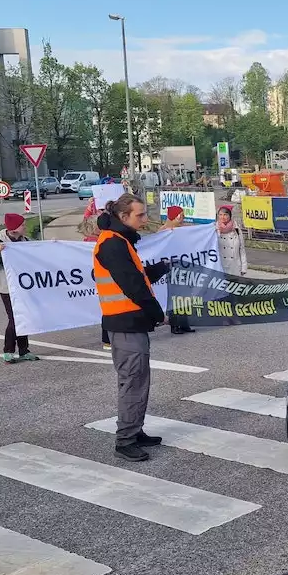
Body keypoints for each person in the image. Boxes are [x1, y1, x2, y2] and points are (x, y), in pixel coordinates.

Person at [94, 194, 171, 462]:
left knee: (138, 380)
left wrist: (160, 269)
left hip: (129, 323)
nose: (145, 219)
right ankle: (125, 440)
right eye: (139, 215)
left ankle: (134, 430)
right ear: (123, 217)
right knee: (133, 382)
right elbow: (132, 285)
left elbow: (135, 277)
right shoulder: (113, 244)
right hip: (125, 323)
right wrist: (157, 313)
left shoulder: (120, 240)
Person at [0, 213, 41, 364]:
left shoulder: (25, 240)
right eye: (22, 225)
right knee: (15, 319)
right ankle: (8, 351)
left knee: (24, 317)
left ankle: (24, 350)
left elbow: (38, 250)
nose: (25, 227)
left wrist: (52, 245)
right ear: (14, 229)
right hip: (7, 288)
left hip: (23, 286)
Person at [80, 198, 113, 350]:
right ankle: (107, 339)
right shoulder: (92, 242)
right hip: (102, 279)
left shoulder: (92, 240)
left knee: (107, 309)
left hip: (102, 279)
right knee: (107, 309)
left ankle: (108, 339)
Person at [162, 206, 196, 335]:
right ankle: (174, 324)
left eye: (183, 215)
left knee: (185, 296)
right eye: (179, 215)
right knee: (174, 297)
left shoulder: (183, 230)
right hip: (172, 268)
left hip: (183, 267)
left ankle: (184, 323)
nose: (182, 218)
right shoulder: (164, 231)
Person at [216, 205, 248, 277]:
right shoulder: (215, 229)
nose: (222, 217)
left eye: (225, 214)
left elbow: (242, 249)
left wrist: (244, 267)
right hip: (221, 266)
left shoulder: (237, 229)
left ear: (230, 216)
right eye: (220, 215)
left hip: (235, 267)